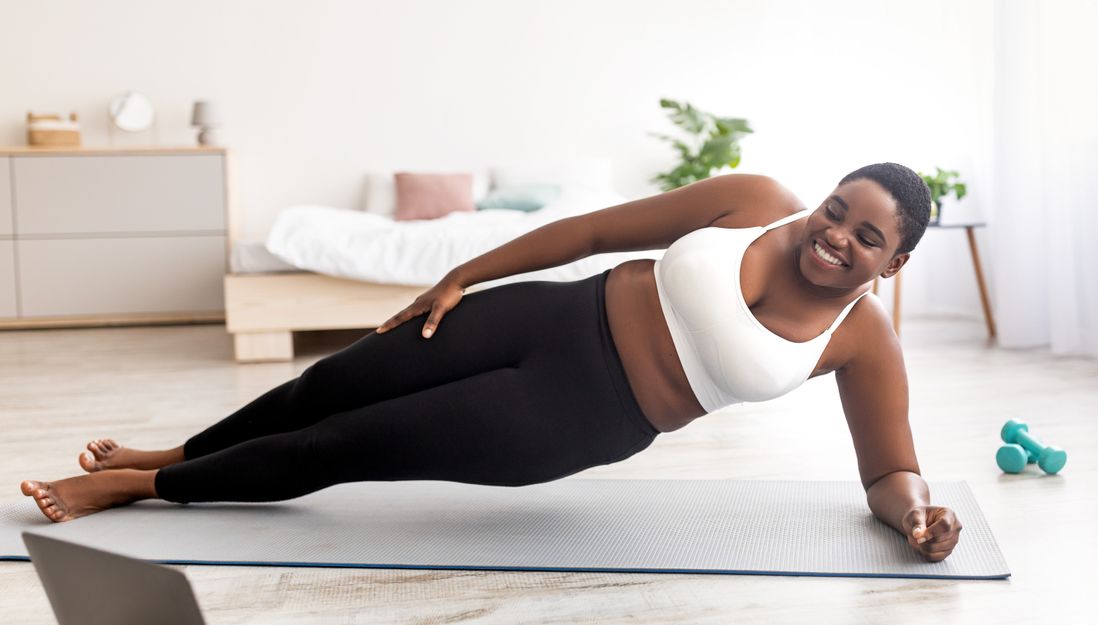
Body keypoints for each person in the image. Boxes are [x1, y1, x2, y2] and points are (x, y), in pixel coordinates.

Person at [20, 162, 963, 562]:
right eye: (839, 209)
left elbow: (888, 470)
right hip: (547, 317)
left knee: (347, 442)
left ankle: (139, 491)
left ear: (897, 261)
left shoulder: (863, 341)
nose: (836, 235)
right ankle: (173, 455)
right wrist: (460, 276)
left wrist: (917, 517)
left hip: (583, 415)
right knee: (332, 382)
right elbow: (593, 229)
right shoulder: (754, 197)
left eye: (867, 236)